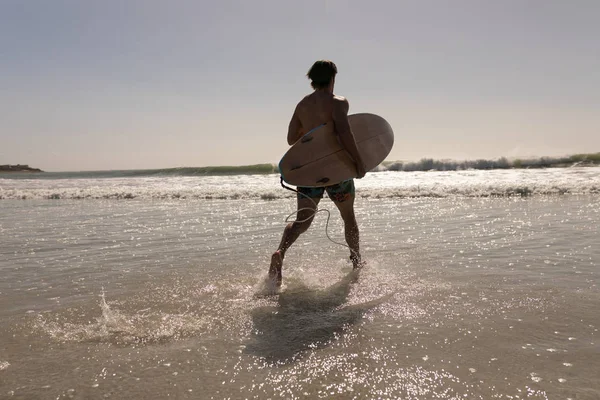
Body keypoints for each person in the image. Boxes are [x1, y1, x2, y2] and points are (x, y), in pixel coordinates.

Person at [269, 60, 367, 286]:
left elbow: (292, 139)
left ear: (312, 79)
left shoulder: (302, 105)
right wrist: (359, 162)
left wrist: (313, 131)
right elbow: (345, 133)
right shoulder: (339, 103)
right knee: (348, 217)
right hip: (337, 171)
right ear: (333, 78)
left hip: (310, 172)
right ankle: (356, 261)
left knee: (302, 222)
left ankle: (280, 252)